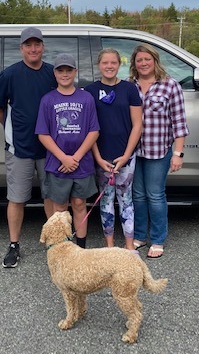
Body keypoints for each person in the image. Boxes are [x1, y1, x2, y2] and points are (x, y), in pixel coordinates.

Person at [0, 27, 57, 268]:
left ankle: (55, 243)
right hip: (19, 148)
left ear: (43, 47)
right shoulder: (10, 74)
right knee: (17, 198)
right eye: (28, 45)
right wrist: (12, 127)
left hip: (50, 149)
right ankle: (14, 244)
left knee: (51, 196)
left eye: (37, 44)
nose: (33, 49)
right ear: (21, 48)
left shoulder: (53, 73)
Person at [129, 44, 189, 259]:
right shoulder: (129, 85)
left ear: (155, 61)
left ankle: (157, 239)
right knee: (137, 195)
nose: (143, 63)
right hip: (133, 152)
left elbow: (179, 122)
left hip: (159, 151)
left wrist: (178, 154)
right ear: (134, 63)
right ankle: (139, 236)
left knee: (155, 195)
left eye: (147, 59)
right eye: (139, 60)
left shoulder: (170, 85)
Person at [35, 53, 100, 248]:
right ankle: (61, 247)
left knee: (79, 203)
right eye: (60, 70)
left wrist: (76, 158)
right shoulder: (48, 100)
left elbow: (94, 131)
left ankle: (80, 248)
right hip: (58, 163)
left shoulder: (86, 98)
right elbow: (43, 134)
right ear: (55, 73)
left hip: (82, 163)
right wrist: (63, 158)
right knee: (60, 207)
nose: (65, 74)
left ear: (75, 72)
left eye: (69, 70)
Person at [85, 48, 142, 251]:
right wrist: (98, 158)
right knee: (106, 200)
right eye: (105, 63)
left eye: (113, 63)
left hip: (125, 155)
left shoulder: (129, 89)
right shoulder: (90, 91)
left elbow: (137, 124)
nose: (109, 66)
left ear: (119, 64)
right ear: (99, 65)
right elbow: (89, 128)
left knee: (126, 200)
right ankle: (109, 246)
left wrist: (126, 155)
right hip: (102, 157)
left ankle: (129, 247)